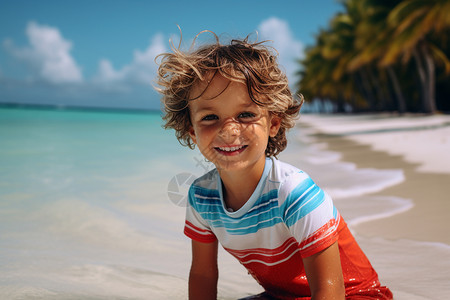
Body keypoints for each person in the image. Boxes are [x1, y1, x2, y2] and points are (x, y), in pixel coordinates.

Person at [156, 31, 393, 300]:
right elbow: (202, 275)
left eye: (245, 114)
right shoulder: (201, 197)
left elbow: (330, 290)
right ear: (192, 132)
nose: (230, 130)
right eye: (210, 117)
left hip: (357, 295)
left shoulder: (294, 193)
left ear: (274, 123)